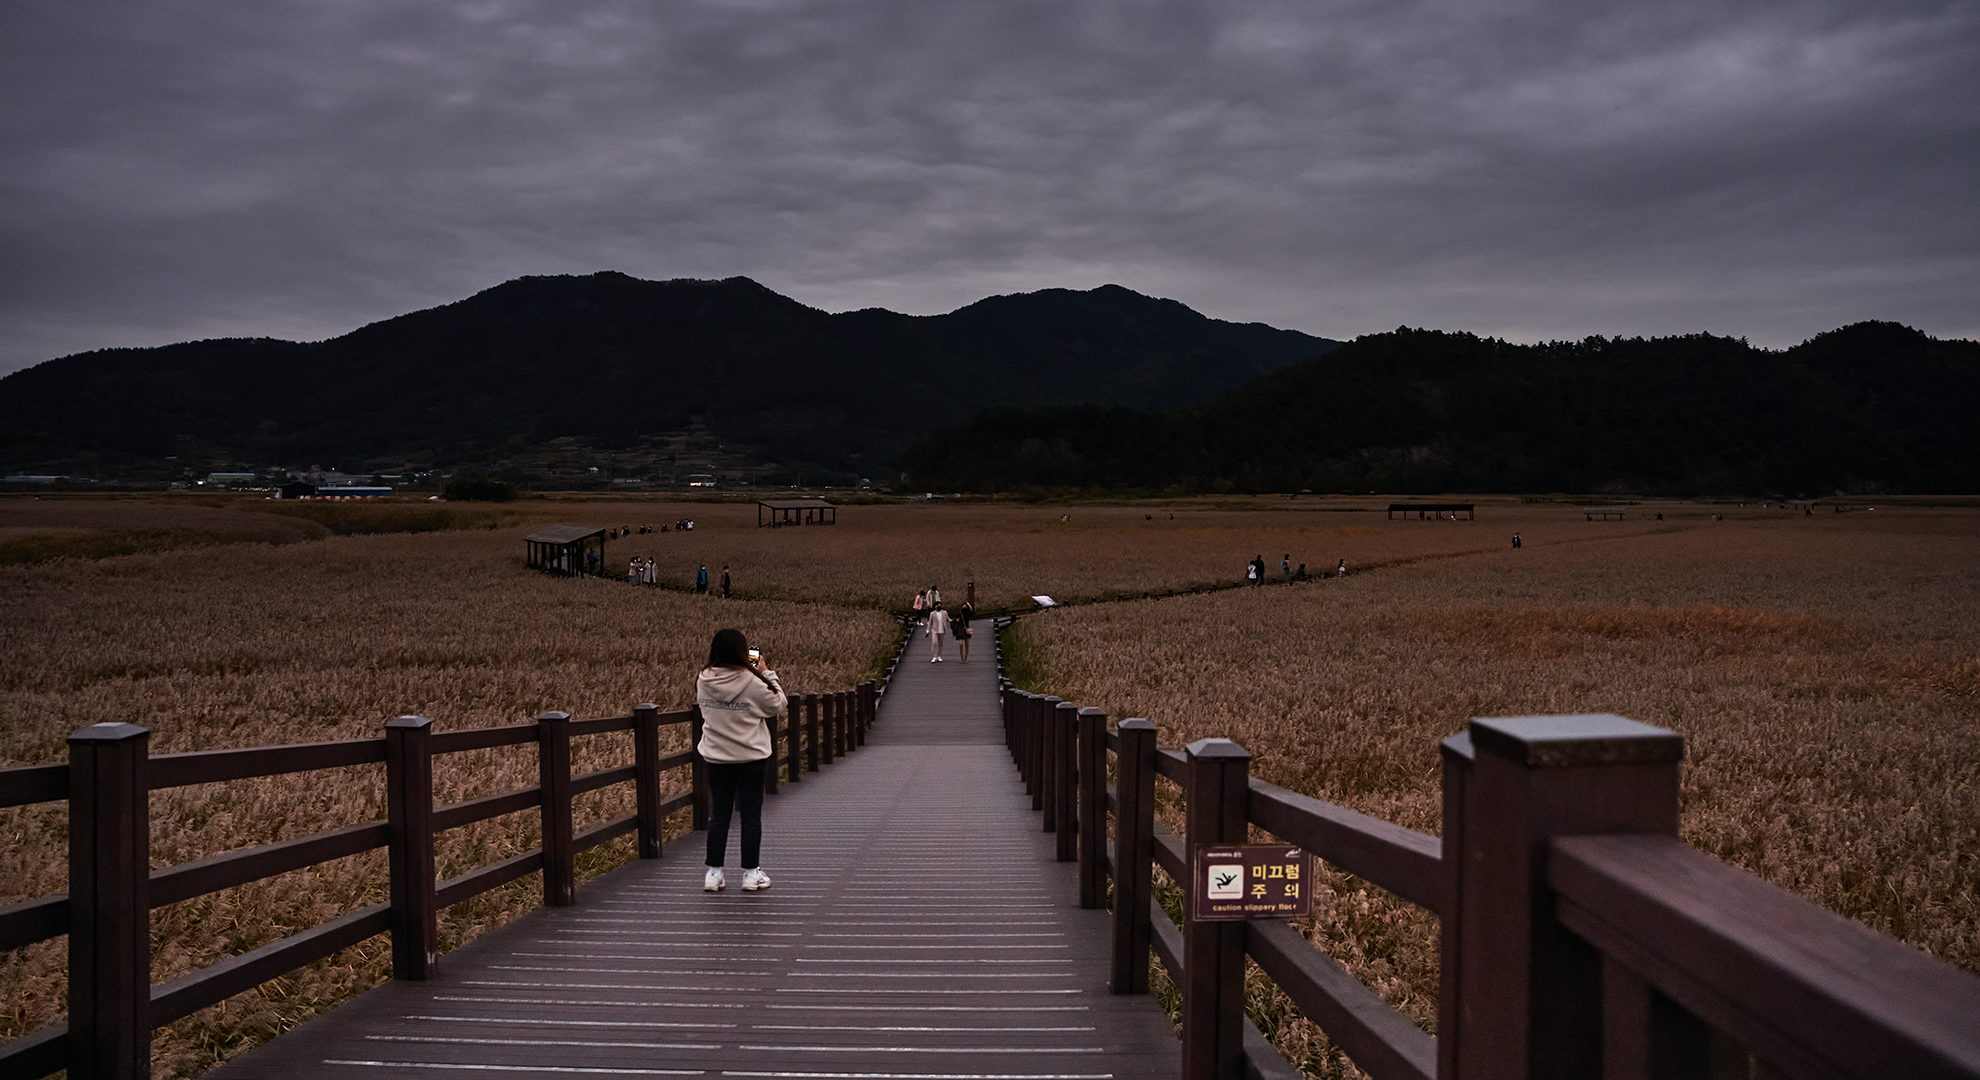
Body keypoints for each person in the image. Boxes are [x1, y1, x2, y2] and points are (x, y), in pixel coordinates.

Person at [696, 629, 784, 892]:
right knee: (750, 815)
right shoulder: (752, 680)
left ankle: (713, 873)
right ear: (742, 651)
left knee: (719, 814)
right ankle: (751, 873)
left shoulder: (704, 680)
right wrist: (765, 672)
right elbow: (778, 704)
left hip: (716, 757)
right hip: (750, 757)